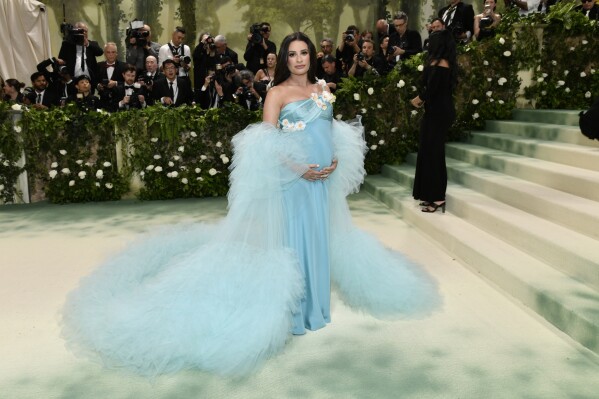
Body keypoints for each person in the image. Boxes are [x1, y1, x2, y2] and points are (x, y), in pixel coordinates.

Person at [60, 31, 439, 377]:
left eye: (304, 52)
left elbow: (329, 127)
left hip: (322, 183)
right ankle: (291, 312)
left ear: (313, 56)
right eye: (292, 54)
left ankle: (316, 309)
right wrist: (298, 169)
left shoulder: (323, 89)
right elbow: (266, 143)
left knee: (319, 239)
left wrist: (336, 157)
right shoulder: (276, 95)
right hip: (293, 183)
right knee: (291, 241)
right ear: (284, 59)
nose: (300, 59)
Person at [410, 29, 457, 213]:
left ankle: (437, 197)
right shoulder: (437, 62)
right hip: (435, 111)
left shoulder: (442, 64)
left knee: (434, 153)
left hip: (440, 112)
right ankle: (429, 194)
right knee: (427, 151)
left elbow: (432, 89)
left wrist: (419, 99)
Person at [58, 22, 104, 91]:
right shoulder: (67, 44)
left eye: (86, 31)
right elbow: (61, 60)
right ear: (75, 31)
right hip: (72, 80)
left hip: (89, 80)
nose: (84, 33)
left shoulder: (92, 44)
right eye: (81, 31)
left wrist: (87, 44)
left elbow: (100, 52)